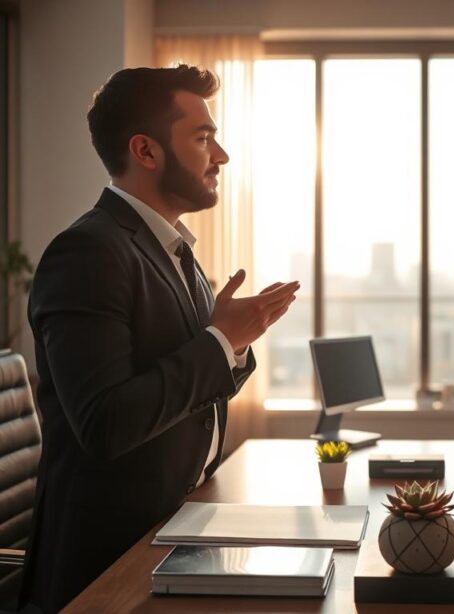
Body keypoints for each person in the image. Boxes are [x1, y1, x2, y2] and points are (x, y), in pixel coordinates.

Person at [20, 65, 300, 613]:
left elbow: (185, 387)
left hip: (174, 535)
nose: (220, 156)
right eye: (202, 138)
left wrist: (232, 345)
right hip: (107, 569)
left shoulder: (173, 250)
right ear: (146, 152)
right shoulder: (88, 253)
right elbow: (105, 424)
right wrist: (219, 341)